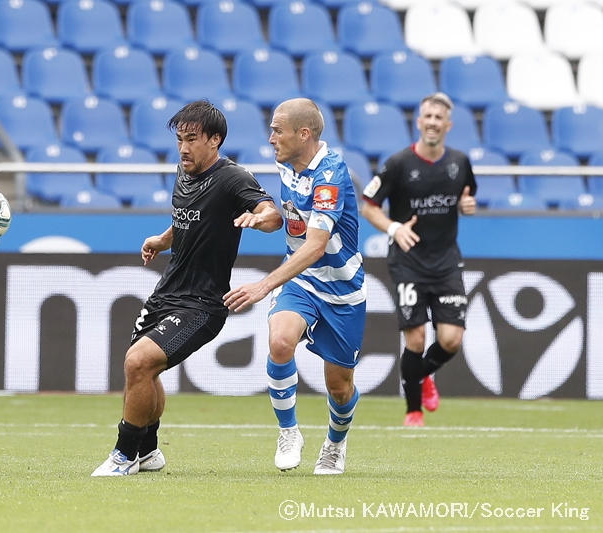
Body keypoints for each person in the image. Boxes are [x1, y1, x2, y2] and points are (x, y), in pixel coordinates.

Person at [92, 99, 283, 476]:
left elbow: (272, 213)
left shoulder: (233, 178)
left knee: (138, 362)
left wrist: (259, 219)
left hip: (202, 304)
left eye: (191, 139)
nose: (183, 148)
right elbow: (186, 221)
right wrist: (163, 241)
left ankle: (123, 453)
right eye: (180, 139)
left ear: (214, 140)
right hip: (167, 293)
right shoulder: (185, 172)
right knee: (142, 371)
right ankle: (148, 452)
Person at [224, 98, 366, 475]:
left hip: (341, 290)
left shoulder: (330, 175)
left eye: (277, 130)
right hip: (301, 280)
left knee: (339, 387)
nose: (270, 138)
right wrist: (266, 216)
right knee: (280, 341)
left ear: (303, 134)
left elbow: (316, 244)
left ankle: (335, 443)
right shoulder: (287, 164)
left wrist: (263, 285)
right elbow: (290, 221)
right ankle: (289, 432)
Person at [360, 92, 477, 427]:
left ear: (448, 125)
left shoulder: (459, 162)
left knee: (451, 339)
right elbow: (369, 205)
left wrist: (467, 208)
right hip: (408, 261)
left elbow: (467, 199)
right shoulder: (398, 163)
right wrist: (394, 227)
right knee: (416, 338)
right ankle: (413, 412)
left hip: (446, 261)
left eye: (439, 118)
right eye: (427, 116)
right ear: (418, 121)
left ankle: (423, 376)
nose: (432, 123)